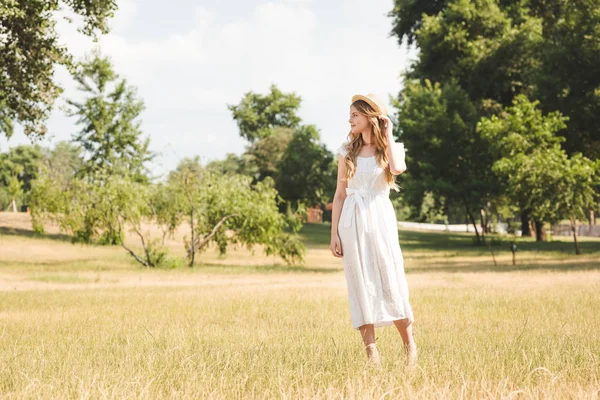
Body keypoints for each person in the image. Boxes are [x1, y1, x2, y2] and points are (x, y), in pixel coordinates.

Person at [330, 93, 416, 367]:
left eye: (355, 114)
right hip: (351, 223)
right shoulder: (347, 152)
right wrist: (334, 234)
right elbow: (340, 195)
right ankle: (372, 354)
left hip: (380, 219)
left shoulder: (389, 148)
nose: (350, 119)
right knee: (360, 283)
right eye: (350, 115)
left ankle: (410, 347)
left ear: (370, 116)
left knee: (390, 279)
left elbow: (398, 168)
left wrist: (388, 134)